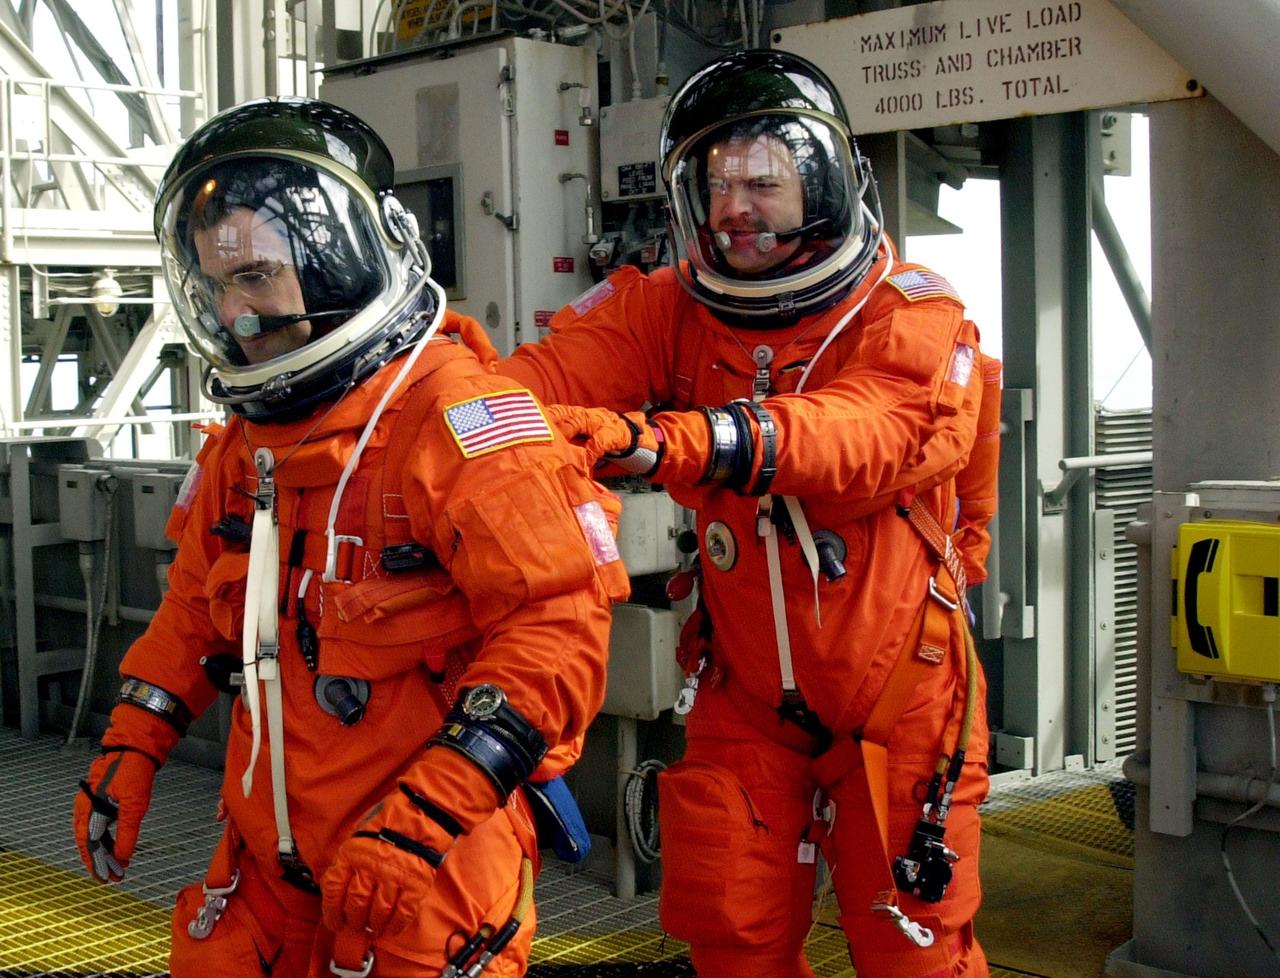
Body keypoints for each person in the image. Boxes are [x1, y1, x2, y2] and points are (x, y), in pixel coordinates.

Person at [72, 97, 627, 978]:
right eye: (216, 285)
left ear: (336, 264)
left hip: (422, 869)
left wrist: (424, 820)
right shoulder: (246, 444)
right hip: (268, 869)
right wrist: (132, 739)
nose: (236, 314)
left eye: (257, 277)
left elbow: (555, 630)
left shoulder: (456, 419)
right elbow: (193, 604)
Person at [498, 50, 1001, 978]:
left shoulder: (913, 312)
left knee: (912, 953)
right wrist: (451, 414)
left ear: (825, 180)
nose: (736, 207)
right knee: (731, 940)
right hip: (746, 696)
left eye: (763, 182)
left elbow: (874, 434)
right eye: (717, 183)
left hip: (899, 700)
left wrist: (679, 443)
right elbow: (533, 386)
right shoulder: (671, 309)